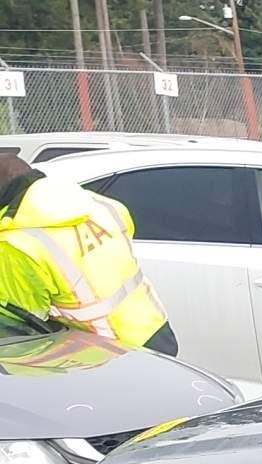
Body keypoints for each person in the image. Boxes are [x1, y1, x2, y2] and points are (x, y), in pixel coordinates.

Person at [0, 152, 176, 354]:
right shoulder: (97, 203)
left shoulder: (15, 245)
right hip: (154, 330)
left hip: (107, 353)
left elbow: (25, 328)